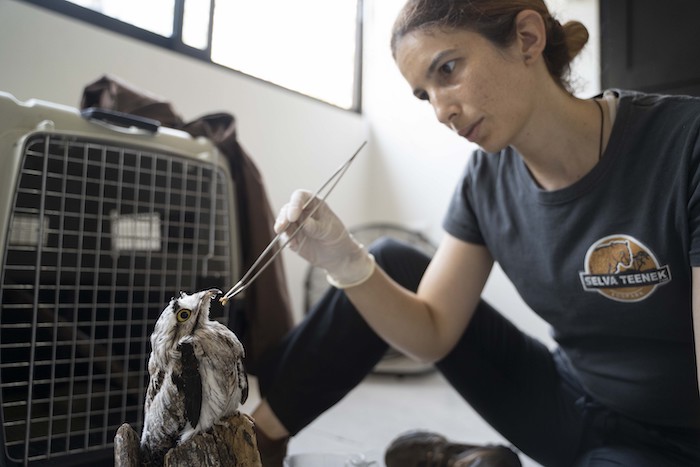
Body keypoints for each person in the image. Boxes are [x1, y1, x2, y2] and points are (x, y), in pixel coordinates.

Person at [249, 0, 700, 465]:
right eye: (425, 94)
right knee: (387, 261)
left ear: (527, 38)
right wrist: (343, 261)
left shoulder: (685, 144)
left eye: (447, 69)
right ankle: (255, 439)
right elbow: (433, 333)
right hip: (568, 404)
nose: (442, 110)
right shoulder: (485, 179)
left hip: (678, 437)